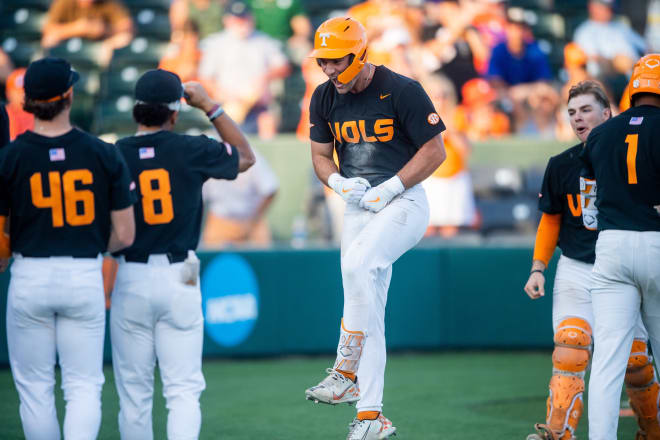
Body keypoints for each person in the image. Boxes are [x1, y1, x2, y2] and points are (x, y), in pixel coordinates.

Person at [303, 17, 446, 440]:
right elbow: (320, 157)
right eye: (323, 61)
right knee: (369, 309)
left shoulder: (401, 89)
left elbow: (435, 150)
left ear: (359, 53)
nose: (328, 69)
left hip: (403, 201)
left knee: (356, 266)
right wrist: (337, 182)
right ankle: (370, 417)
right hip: (357, 206)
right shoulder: (324, 97)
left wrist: (393, 186)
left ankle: (345, 370)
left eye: (335, 60)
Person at [110, 69, 255, 440]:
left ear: (136, 111)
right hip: (179, 276)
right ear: (175, 112)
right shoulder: (192, 148)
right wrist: (209, 105)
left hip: (131, 274)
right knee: (183, 390)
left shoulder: (113, 154)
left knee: (134, 394)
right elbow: (245, 157)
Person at [0, 56, 136, 439]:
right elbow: (124, 236)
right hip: (82, 272)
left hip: (30, 273)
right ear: (70, 95)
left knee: (35, 390)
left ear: (26, 100)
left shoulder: (10, 156)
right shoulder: (102, 153)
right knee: (82, 386)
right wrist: (91, 243)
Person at [524, 79, 660, 440]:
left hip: (620, 261)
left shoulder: (635, 152)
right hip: (580, 267)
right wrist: (539, 267)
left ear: (607, 112)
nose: (578, 118)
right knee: (571, 344)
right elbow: (550, 217)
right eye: (571, 112)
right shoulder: (563, 163)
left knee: (635, 361)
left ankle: (651, 429)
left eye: (586, 110)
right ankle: (558, 432)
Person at [583, 54, 660, 440]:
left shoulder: (601, 133)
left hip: (611, 247)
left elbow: (588, 208)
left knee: (608, 361)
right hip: (657, 242)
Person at [199, 0, 290, 138]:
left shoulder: (263, 41)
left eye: (244, 18)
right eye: (237, 19)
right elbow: (205, 77)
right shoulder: (215, 43)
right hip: (227, 105)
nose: (241, 23)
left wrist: (264, 78)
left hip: (258, 106)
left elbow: (283, 67)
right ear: (227, 20)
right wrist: (222, 93)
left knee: (268, 121)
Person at [202, 147, 278, 248]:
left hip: (252, 222)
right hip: (219, 222)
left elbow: (270, 190)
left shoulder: (253, 156)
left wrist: (252, 222)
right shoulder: (210, 158)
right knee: (214, 261)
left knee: (262, 260)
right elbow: (200, 196)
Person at [41, 0, 134, 67]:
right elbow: (48, 29)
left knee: (124, 38)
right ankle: (48, 69)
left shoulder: (108, 2)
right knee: (49, 40)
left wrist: (105, 29)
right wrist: (77, 28)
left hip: (99, 45)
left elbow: (128, 26)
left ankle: (102, 77)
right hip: (67, 42)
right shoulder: (64, 2)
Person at [5, 68, 34, 141]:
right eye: (18, 92)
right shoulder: (4, 114)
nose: (22, 95)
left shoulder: (39, 114)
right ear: (8, 93)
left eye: (24, 92)